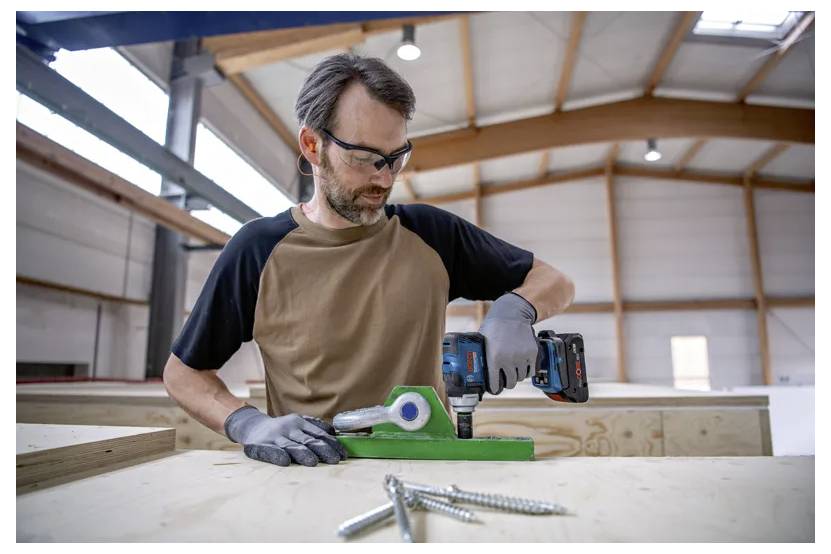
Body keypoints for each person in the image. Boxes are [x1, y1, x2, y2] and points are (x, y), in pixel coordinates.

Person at [163, 54, 575, 467]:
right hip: (313, 474)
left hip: (429, 471)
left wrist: (513, 310)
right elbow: (183, 374)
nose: (385, 177)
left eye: (397, 157)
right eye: (364, 158)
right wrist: (246, 423)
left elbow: (553, 281)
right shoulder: (258, 250)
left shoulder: (432, 236)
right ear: (312, 146)